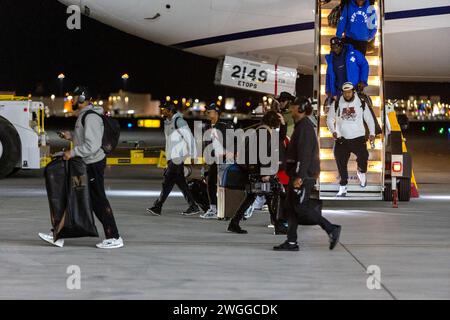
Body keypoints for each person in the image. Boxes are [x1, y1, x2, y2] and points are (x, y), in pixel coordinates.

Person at [39, 86, 124, 249]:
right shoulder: (85, 116)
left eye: (75, 97)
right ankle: (57, 234)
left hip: (92, 165)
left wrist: (72, 152)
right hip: (85, 164)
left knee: (97, 200)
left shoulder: (91, 117)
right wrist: (72, 136)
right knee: (74, 197)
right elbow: (86, 138)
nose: (72, 100)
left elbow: (92, 146)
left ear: (83, 99)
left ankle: (114, 236)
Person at [274, 97, 341, 251]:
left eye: (294, 106)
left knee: (301, 208)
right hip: (298, 174)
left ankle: (331, 228)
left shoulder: (304, 127)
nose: (291, 109)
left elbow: (304, 155)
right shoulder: (300, 126)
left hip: (303, 176)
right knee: (290, 208)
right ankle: (291, 242)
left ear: (301, 109)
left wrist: (300, 177)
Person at [227, 111, 281, 234]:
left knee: (255, 196)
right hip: (259, 172)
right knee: (270, 195)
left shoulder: (259, 130)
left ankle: (234, 223)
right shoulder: (264, 132)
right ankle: (277, 225)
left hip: (254, 170)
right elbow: (263, 155)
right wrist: (266, 173)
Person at [147, 102, 201, 216]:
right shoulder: (167, 123)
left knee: (167, 182)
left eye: (164, 109)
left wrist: (193, 155)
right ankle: (193, 206)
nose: (162, 111)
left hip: (178, 157)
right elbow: (170, 142)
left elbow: (190, 138)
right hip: (172, 157)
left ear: (170, 110)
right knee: (181, 183)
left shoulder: (179, 121)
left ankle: (158, 206)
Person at [327, 82, 375, 197]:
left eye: (349, 92)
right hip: (341, 139)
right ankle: (343, 187)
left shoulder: (361, 103)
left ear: (353, 91)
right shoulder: (337, 103)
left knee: (364, 156)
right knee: (341, 162)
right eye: (345, 92)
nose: (347, 94)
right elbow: (329, 119)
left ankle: (361, 171)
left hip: (358, 138)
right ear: (342, 92)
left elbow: (369, 119)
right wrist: (333, 131)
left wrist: (372, 133)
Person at [200, 103, 234, 219]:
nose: (207, 113)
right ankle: (213, 208)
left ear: (216, 112)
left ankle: (227, 209)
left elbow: (233, 141)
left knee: (224, 185)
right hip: (213, 158)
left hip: (224, 158)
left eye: (209, 111)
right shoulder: (207, 126)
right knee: (210, 182)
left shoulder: (225, 125)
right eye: (207, 111)